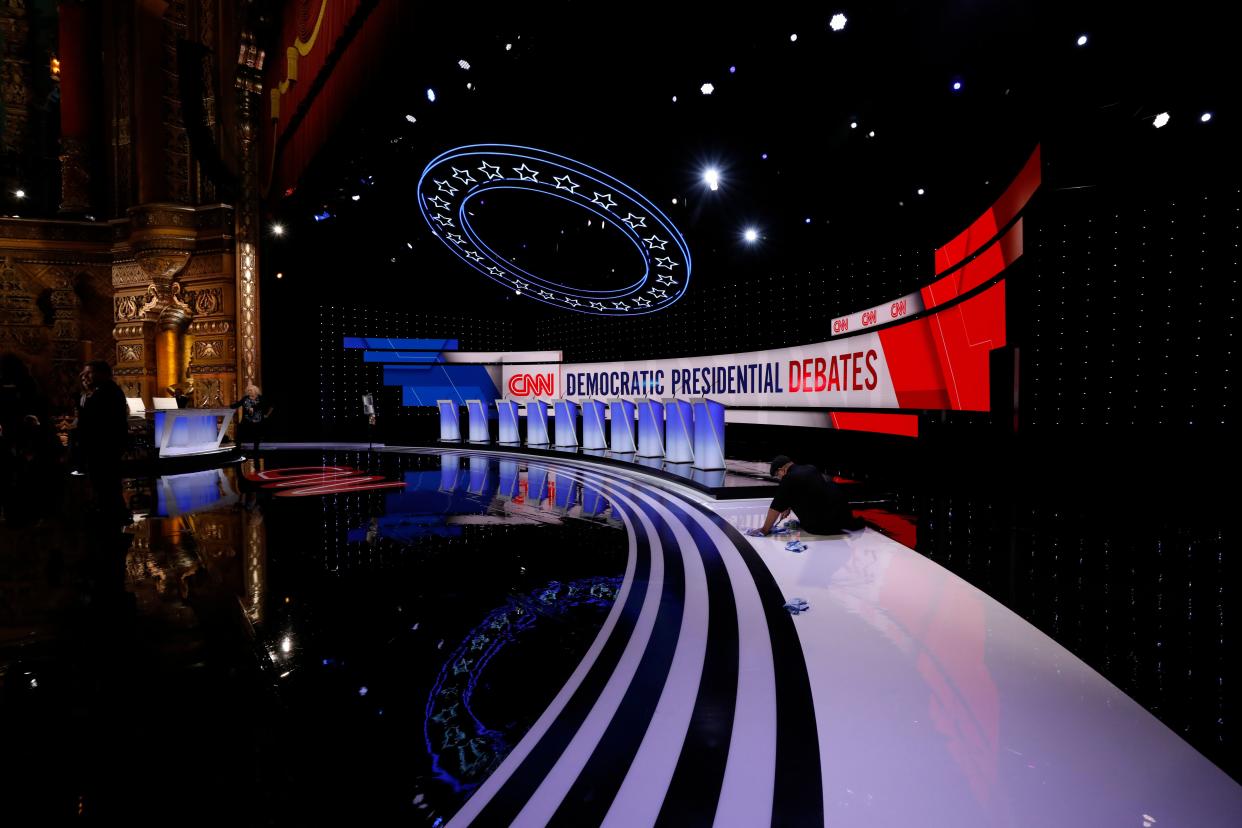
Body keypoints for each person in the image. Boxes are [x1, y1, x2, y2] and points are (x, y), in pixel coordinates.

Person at [748, 454, 863, 537]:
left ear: (781, 470)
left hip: (820, 527)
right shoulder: (810, 468)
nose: (780, 478)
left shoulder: (788, 478)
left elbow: (775, 508)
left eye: (778, 475)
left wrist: (764, 530)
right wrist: (788, 505)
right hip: (840, 521)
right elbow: (810, 492)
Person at [76, 360, 130, 522]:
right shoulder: (99, 391)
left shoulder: (107, 393)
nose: (84, 376)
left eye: (89, 373)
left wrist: (86, 396)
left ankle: (109, 518)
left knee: (106, 483)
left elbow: (92, 419)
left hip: (104, 445)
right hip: (99, 445)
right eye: (83, 373)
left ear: (103, 374)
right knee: (102, 483)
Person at [230, 384, 271, 453]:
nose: (249, 392)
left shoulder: (260, 398)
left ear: (255, 391)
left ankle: (256, 450)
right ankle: (237, 449)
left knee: (256, 436)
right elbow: (237, 404)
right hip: (246, 420)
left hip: (257, 421)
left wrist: (266, 414)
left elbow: (267, 406)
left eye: (251, 390)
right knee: (239, 434)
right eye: (248, 390)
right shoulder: (245, 398)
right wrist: (229, 406)